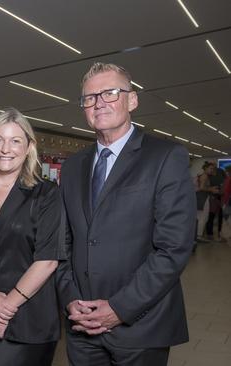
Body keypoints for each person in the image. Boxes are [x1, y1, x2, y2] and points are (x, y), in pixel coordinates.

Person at [56, 62, 195, 366]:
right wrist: (70, 300)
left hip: (141, 326)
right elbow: (62, 242)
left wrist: (119, 308)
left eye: (110, 93)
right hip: (82, 326)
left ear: (132, 100)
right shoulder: (73, 166)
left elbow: (174, 248)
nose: (99, 103)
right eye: (90, 98)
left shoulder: (165, 157)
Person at [0, 108, 63, 366]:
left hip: (27, 320)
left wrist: (3, 310)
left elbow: (48, 260)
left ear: (29, 147)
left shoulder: (46, 194)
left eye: (15, 140)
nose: (5, 148)